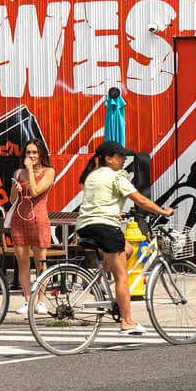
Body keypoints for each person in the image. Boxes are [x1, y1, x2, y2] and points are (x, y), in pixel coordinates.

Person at [73, 141, 170, 336]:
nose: (124, 159)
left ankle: (98, 282)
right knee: (122, 276)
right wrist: (163, 211)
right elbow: (140, 200)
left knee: (127, 250)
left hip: (84, 227)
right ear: (108, 159)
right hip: (105, 228)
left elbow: (98, 201)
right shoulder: (117, 176)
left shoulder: (91, 176)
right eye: (120, 156)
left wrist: (114, 212)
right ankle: (127, 322)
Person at [6, 141, 55, 312]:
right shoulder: (18, 173)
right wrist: (15, 189)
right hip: (19, 220)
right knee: (23, 262)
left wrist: (30, 173)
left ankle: (40, 301)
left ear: (41, 154)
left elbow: (35, 192)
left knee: (40, 262)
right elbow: (13, 200)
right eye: (28, 153)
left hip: (39, 219)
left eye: (34, 152)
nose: (31, 156)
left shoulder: (49, 172)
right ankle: (28, 301)